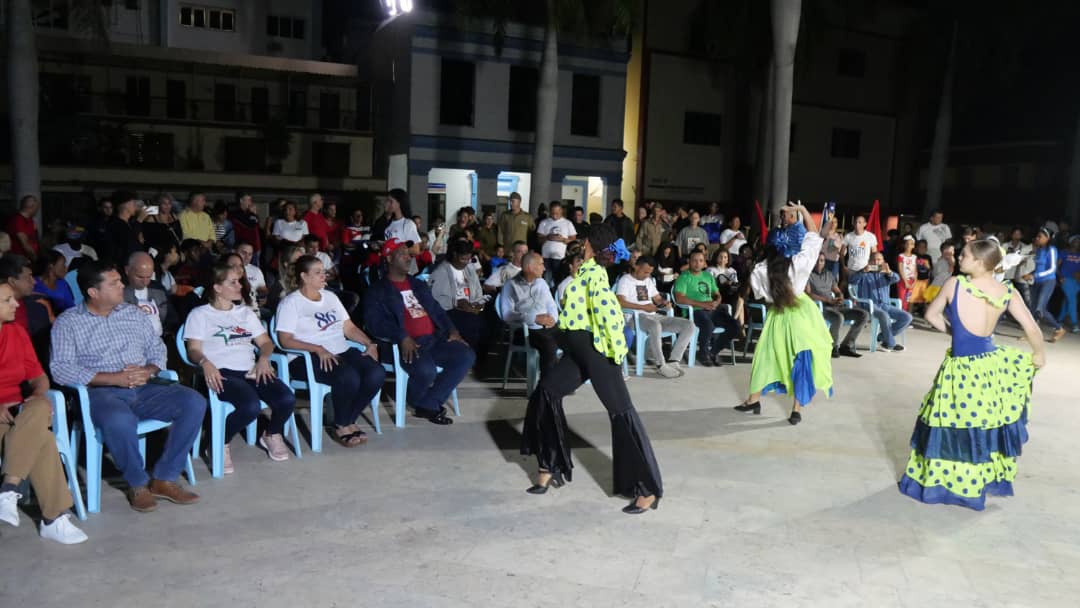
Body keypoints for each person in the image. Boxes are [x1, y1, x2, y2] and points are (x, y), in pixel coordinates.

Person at [520, 225, 662, 514]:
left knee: (621, 413)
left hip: (597, 354)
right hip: (577, 353)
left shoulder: (595, 275)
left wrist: (616, 353)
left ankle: (647, 490)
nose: (581, 244)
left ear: (592, 247)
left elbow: (610, 315)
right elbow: (576, 318)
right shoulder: (585, 272)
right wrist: (556, 327)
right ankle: (549, 465)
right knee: (546, 392)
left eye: (584, 242)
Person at [898, 240, 1044, 510]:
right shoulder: (1007, 291)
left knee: (949, 424)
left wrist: (955, 333)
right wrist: (1039, 355)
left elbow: (931, 315)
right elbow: (1032, 328)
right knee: (980, 426)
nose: (959, 258)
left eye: (964, 255)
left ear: (979, 262)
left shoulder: (955, 284)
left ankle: (946, 482)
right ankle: (974, 483)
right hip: (990, 368)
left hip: (960, 368)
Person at [50, 260, 206, 512]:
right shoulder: (68, 323)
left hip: (145, 386)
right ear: (93, 292)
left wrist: (148, 370)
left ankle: (164, 478)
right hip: (101, 392)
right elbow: (61, 368)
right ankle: (137, 484)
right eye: (114, 283)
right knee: (119, 420)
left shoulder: (134, 314)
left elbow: (157, 349)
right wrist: (114, 378)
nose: (122, 285)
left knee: (194, 402)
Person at [186, 263, 297, 471]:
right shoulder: (200, 314)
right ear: (217, 288)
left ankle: (271, 434)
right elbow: (193, 350)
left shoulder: (245, 313)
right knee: (250, 406)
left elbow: (266, 342)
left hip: (250, 370)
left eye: (239, 281)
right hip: (222, 373)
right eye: (233, 282)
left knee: (286, 398)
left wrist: (263, 359)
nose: (240, 286)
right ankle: (218, 442)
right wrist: (205, 362)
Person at [0, 283, 88, 544]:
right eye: (7, 300)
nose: (17, 304)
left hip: (20, 412)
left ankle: (8, 488)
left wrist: (38, 393)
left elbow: (39, 377)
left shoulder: (16, 333)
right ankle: (53, 519)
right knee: (43, 438)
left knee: (40, 406)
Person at [733, 203, 832, 425]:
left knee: (766, 356)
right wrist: (803, 211)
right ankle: (795, 409)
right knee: (800, 360)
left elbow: (752, 290)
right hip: (800, 313)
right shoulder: (799, 263)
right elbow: (814, 237)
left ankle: (754, 400)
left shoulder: (762, 269)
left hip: (779, 315)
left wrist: (740, 301)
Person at [276, 256, 385, 446]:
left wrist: (369, 344)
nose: (323, 276)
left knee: (376, 372)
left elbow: (349, 328)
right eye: (317, 272)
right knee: (348, 376)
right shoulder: (291, 303)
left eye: (323, 271)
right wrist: (317, 348)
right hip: (307, 357)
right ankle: (341, 424)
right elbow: (284, 340)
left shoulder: (331, 297)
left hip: (340, 350)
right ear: (304, 276)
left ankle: (349, 419)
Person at [363, 239, 475, 425]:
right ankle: (423, 403)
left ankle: (427, 403)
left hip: (432, 339)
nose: (409, 257)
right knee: (426, 370)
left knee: (465, 355)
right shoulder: (378, 290)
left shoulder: (417, 284)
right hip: (406, 345)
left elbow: (437, 310)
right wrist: (401, 336)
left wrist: (452, 330)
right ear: (389, 258)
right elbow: (375, 323)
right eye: (402, 254)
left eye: (409, 254)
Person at [615, 256, 694, 378]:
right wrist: (643, 307)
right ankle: (660, 365)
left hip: (653, 315)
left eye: (650, 272)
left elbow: (657, 298)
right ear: (636, 266)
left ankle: (673, 360)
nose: (647, 275)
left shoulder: (648, 280)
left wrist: (664, 303)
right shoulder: (625, 280)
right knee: (655, 325)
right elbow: (620, 302)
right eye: (645, 272)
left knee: (688, 325)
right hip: (634, 317)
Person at [673, 250, 740, 367]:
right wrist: (702, 304)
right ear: (689, 262)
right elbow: (679, 299)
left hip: (712, 309)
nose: (697, 263)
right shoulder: (684, 277)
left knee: (734, 326)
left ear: (704, 263)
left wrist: (717, 301)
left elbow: (717, 294)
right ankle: (703, 354)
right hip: (694, 311)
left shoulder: (708, 276)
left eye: (700, 261)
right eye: (694, 260)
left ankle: (713, 352)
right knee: (708, 325)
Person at [499, 252, 561, 374]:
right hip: (524, 330)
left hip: (546, 327)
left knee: (571, 339)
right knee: (549, 345)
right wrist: (534, 318)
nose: (544, 268)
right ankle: (546, 383)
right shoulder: (511, 285)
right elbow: (506, 315)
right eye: (541, 264)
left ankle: (562, 379)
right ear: (530, 267)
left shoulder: (541, 283)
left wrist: (553, 319)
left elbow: (551, 305)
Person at [430, 239, 488, 352]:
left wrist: (478, 303)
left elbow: (478, 290)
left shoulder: (469, 269)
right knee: (472, 324)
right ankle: (469, 355)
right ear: (455, 255)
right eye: (463, 259)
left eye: (468, 259)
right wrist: (457, 302)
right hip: (450, 311)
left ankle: (479, 357)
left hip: (470, 307)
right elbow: (435, 299)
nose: (465, 262)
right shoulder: (441, 272)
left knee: (487, 323)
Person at [806, 253, 867, 358]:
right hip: (820, 308)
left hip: (835, 306)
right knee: (839, 317)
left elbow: (837, 290)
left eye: (821, 260)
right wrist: (827, 300)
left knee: (863, 315)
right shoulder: (807, 275)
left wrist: (840, 296)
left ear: (824, 262)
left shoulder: (828, 274)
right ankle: (832, 347)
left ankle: (846, 346)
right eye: (816, 260)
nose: (818, 263)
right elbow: (808, 294)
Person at [849, 251, 912, 351]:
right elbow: (852, 280)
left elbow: (897, 279)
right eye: (873, 260)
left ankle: (882, 337)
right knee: (884, 315)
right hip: (869, 305)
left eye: (879, 260)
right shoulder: (864, 274)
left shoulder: (885, 274)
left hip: (885, 305)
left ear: (883, 262)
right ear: (869, 261)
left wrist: (889, 272)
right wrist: (863, 271)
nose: (876, 262)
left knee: (907, 317)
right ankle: (890, 344)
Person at [123, 252, 175, 338]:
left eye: (148, 277)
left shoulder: (159, 289)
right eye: (140, 277)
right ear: (127, 270)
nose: (145, 282)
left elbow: (172, 318)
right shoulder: (118, 291)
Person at [1028, 227, 1066, 342]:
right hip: (1037, 281)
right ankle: (1032, 334)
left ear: (1048, 238)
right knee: (1033, 308)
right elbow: (1039, 267)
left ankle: (1059, 329)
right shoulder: (1039, 250)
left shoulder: (1052, 250)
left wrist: (1035, 275)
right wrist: (1032, 274)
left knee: (1040, 309)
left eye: (1040, 236)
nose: (1037, 238)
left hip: (1048, 281)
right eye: (1037, 236)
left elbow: (1052, 269)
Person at [99, 191, 144, 265]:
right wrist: (139, 221)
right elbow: (129, 245)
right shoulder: (116, 224)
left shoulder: (130, 223)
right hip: (122, 265)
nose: (135, 206)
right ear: (125, 205)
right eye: (133, 203)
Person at [537, 201, 576, 278]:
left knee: (558, 280)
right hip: (546, 258)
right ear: (549, 211)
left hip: (561, 258)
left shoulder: (568, 223)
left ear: (561, 211)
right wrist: (548, 237)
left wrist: (562, 239)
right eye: (552, 213)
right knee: (546, 279)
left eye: (557, 213)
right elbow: (539, 240)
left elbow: (573, 241)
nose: (554, 216)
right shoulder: (544, 222)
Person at [1056, 236, 1080, 332]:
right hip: (1066, 279)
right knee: (1072, 300)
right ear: (1071, 242)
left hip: (1077, 281)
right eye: (1075, 241)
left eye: (1079, 241)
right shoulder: (1064, 252)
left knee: (1067, 301)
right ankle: (1074, 323)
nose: (1077, 243)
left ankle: (1059, 320)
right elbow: (1056, 266)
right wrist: (1060, 276)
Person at [1004, 227, 1033, 307]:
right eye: (1015, 234)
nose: (1016, 236)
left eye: (1019, 234)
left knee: (1018, 299)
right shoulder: (1005, 246)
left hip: (1018, 277)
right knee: (1005, 297)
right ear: (1011, 235)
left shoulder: (1025, 247)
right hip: (1007, 275)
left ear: (1022, 236)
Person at [6, 195, 40, 261]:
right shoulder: (18, 220)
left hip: (28, 257)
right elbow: (24, 243)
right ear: (31, 207)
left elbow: (34, 238)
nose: (37, 210)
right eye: (36, 207)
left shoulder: (30, 220)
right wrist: (35, 258)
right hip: (20, 258)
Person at [896, 235, 918, 311]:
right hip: (903, 281)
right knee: (901, 299)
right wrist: (905, 282)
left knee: (908, 299)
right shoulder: (901, 256)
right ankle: (900, 313)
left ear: (913, 246)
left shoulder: (914, 257)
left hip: (912, 281)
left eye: (911, 244)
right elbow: (900, 269)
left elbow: (915, 270)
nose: (909, 245)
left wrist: (915, 281)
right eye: (907, 244)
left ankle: (905, 313)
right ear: (904, 245)